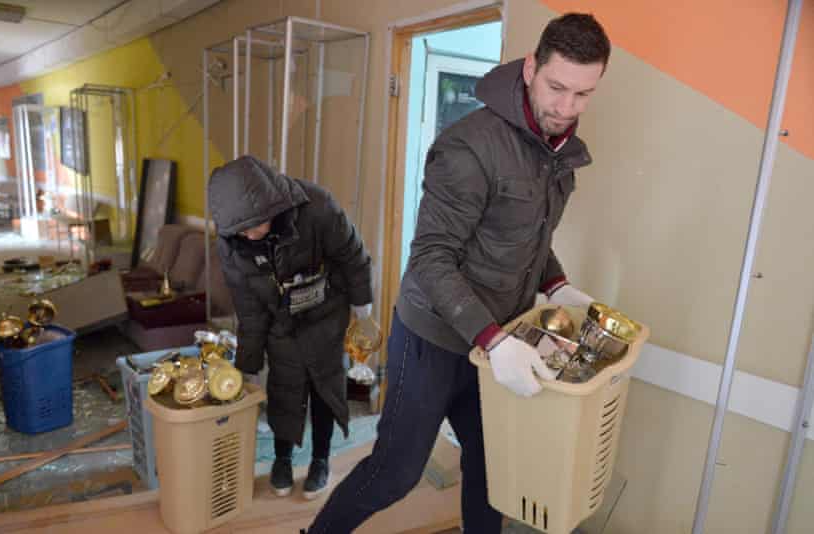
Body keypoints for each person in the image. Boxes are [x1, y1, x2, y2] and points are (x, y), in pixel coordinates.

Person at [305, 13, 610, 533]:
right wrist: (492, 339)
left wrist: (556, 284)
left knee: (492, 467)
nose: (566, 108)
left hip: (498, 343)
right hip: (434, 337)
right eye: (557, 87)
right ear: (532, 67)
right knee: (394, 473)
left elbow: (526, 233)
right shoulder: (470, 146)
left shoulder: (555, 152)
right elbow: (430, 258)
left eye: (583, 95)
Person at [208, 155, 373, 500]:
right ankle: (282, 460)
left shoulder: (317, 206)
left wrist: (363, 307)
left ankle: (320, 460)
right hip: (279, 320)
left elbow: (352, 255)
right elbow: (248, 309)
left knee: (325, 388)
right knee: (284, 387)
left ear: (273, 204)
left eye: (256, 223)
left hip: (326, 312)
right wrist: (247, 368)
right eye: (242, 229)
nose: (250, 233)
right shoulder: (231, 245)